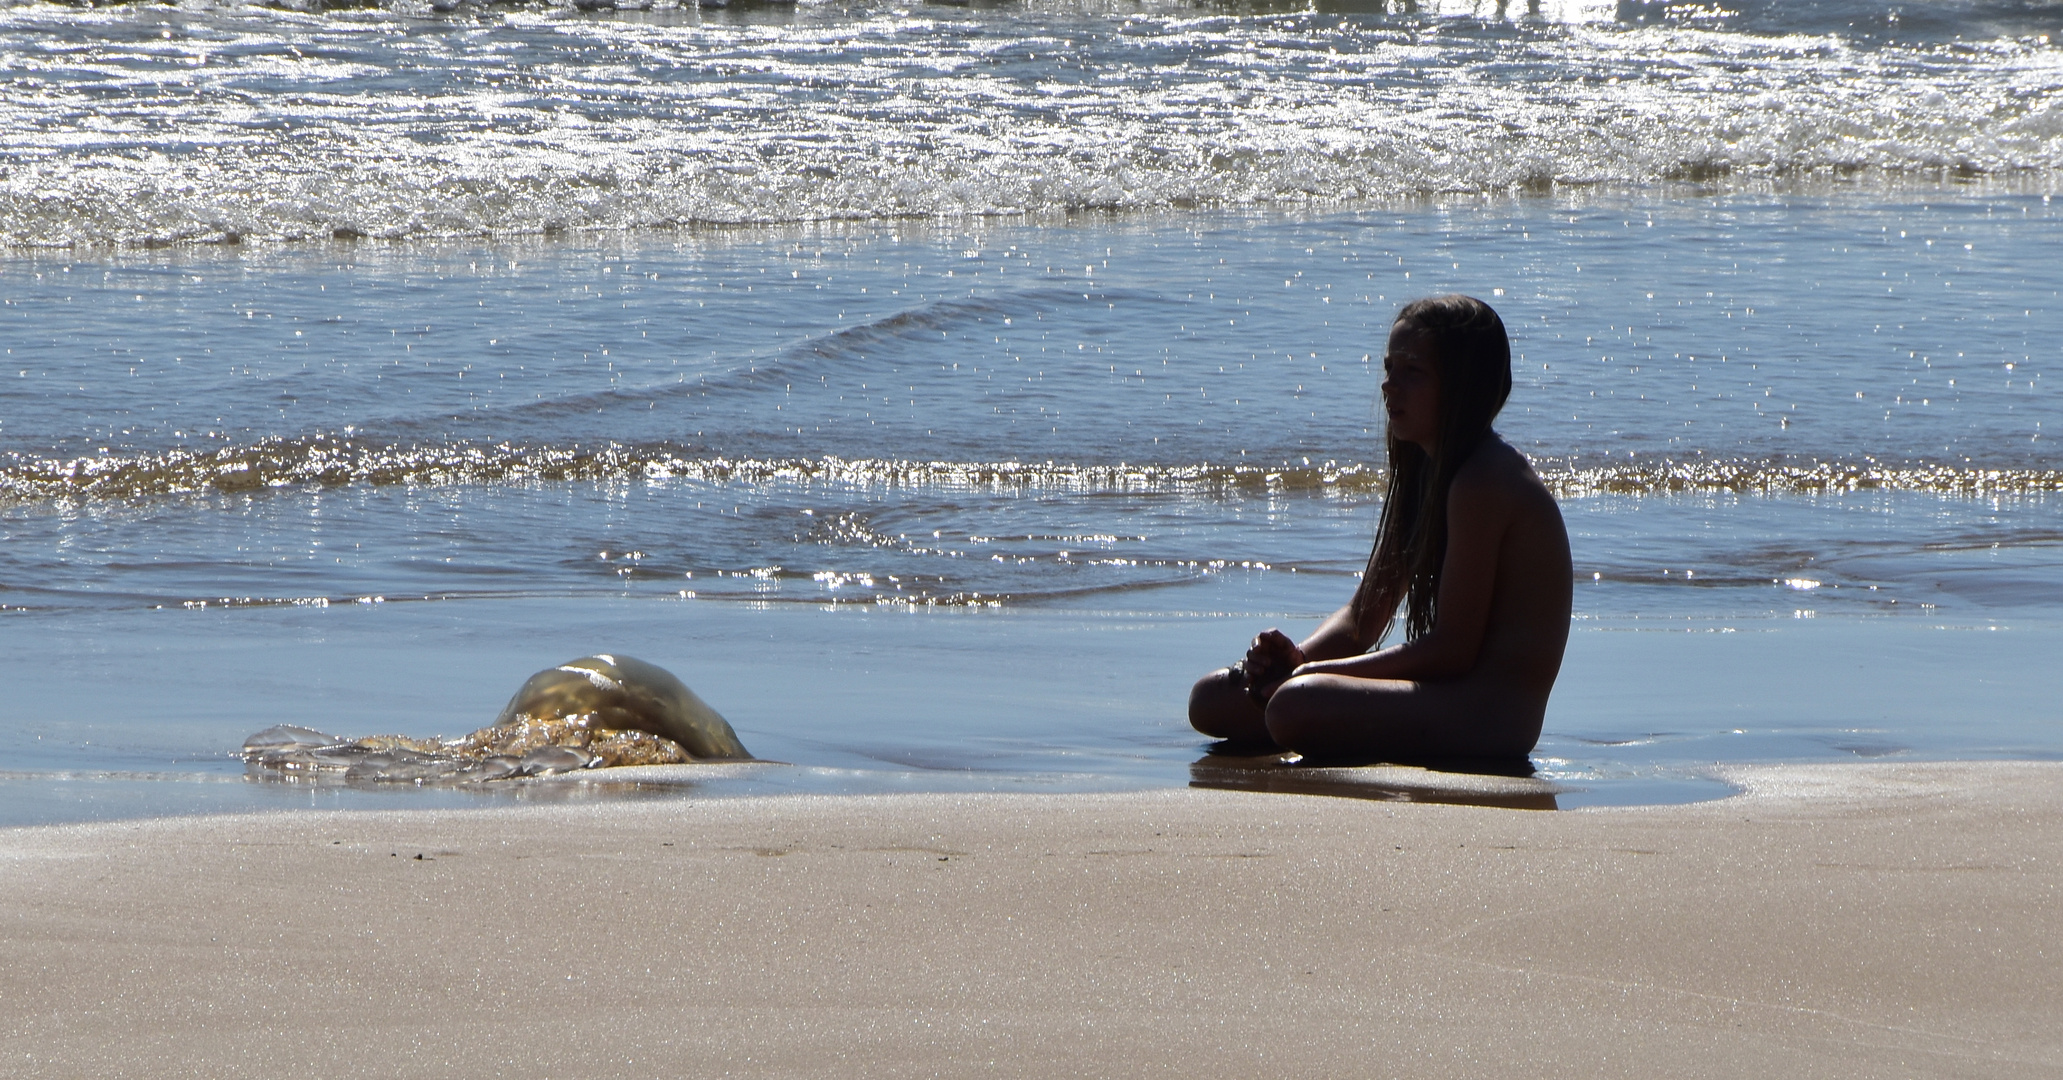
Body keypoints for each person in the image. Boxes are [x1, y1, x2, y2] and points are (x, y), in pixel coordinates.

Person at [1187, 294, 1571, 762]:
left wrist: (1305, 679)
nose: (1390, 387)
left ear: (1463, 388)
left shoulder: (1485, 480)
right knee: (1211, 699)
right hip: (1442, 698)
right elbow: (1360, 620)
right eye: (1389, 370)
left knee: (1293, 705)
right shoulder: (1425, 469)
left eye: (1413, 372)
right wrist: (1294, 663)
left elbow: (1454, 650)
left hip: (1489, 717)